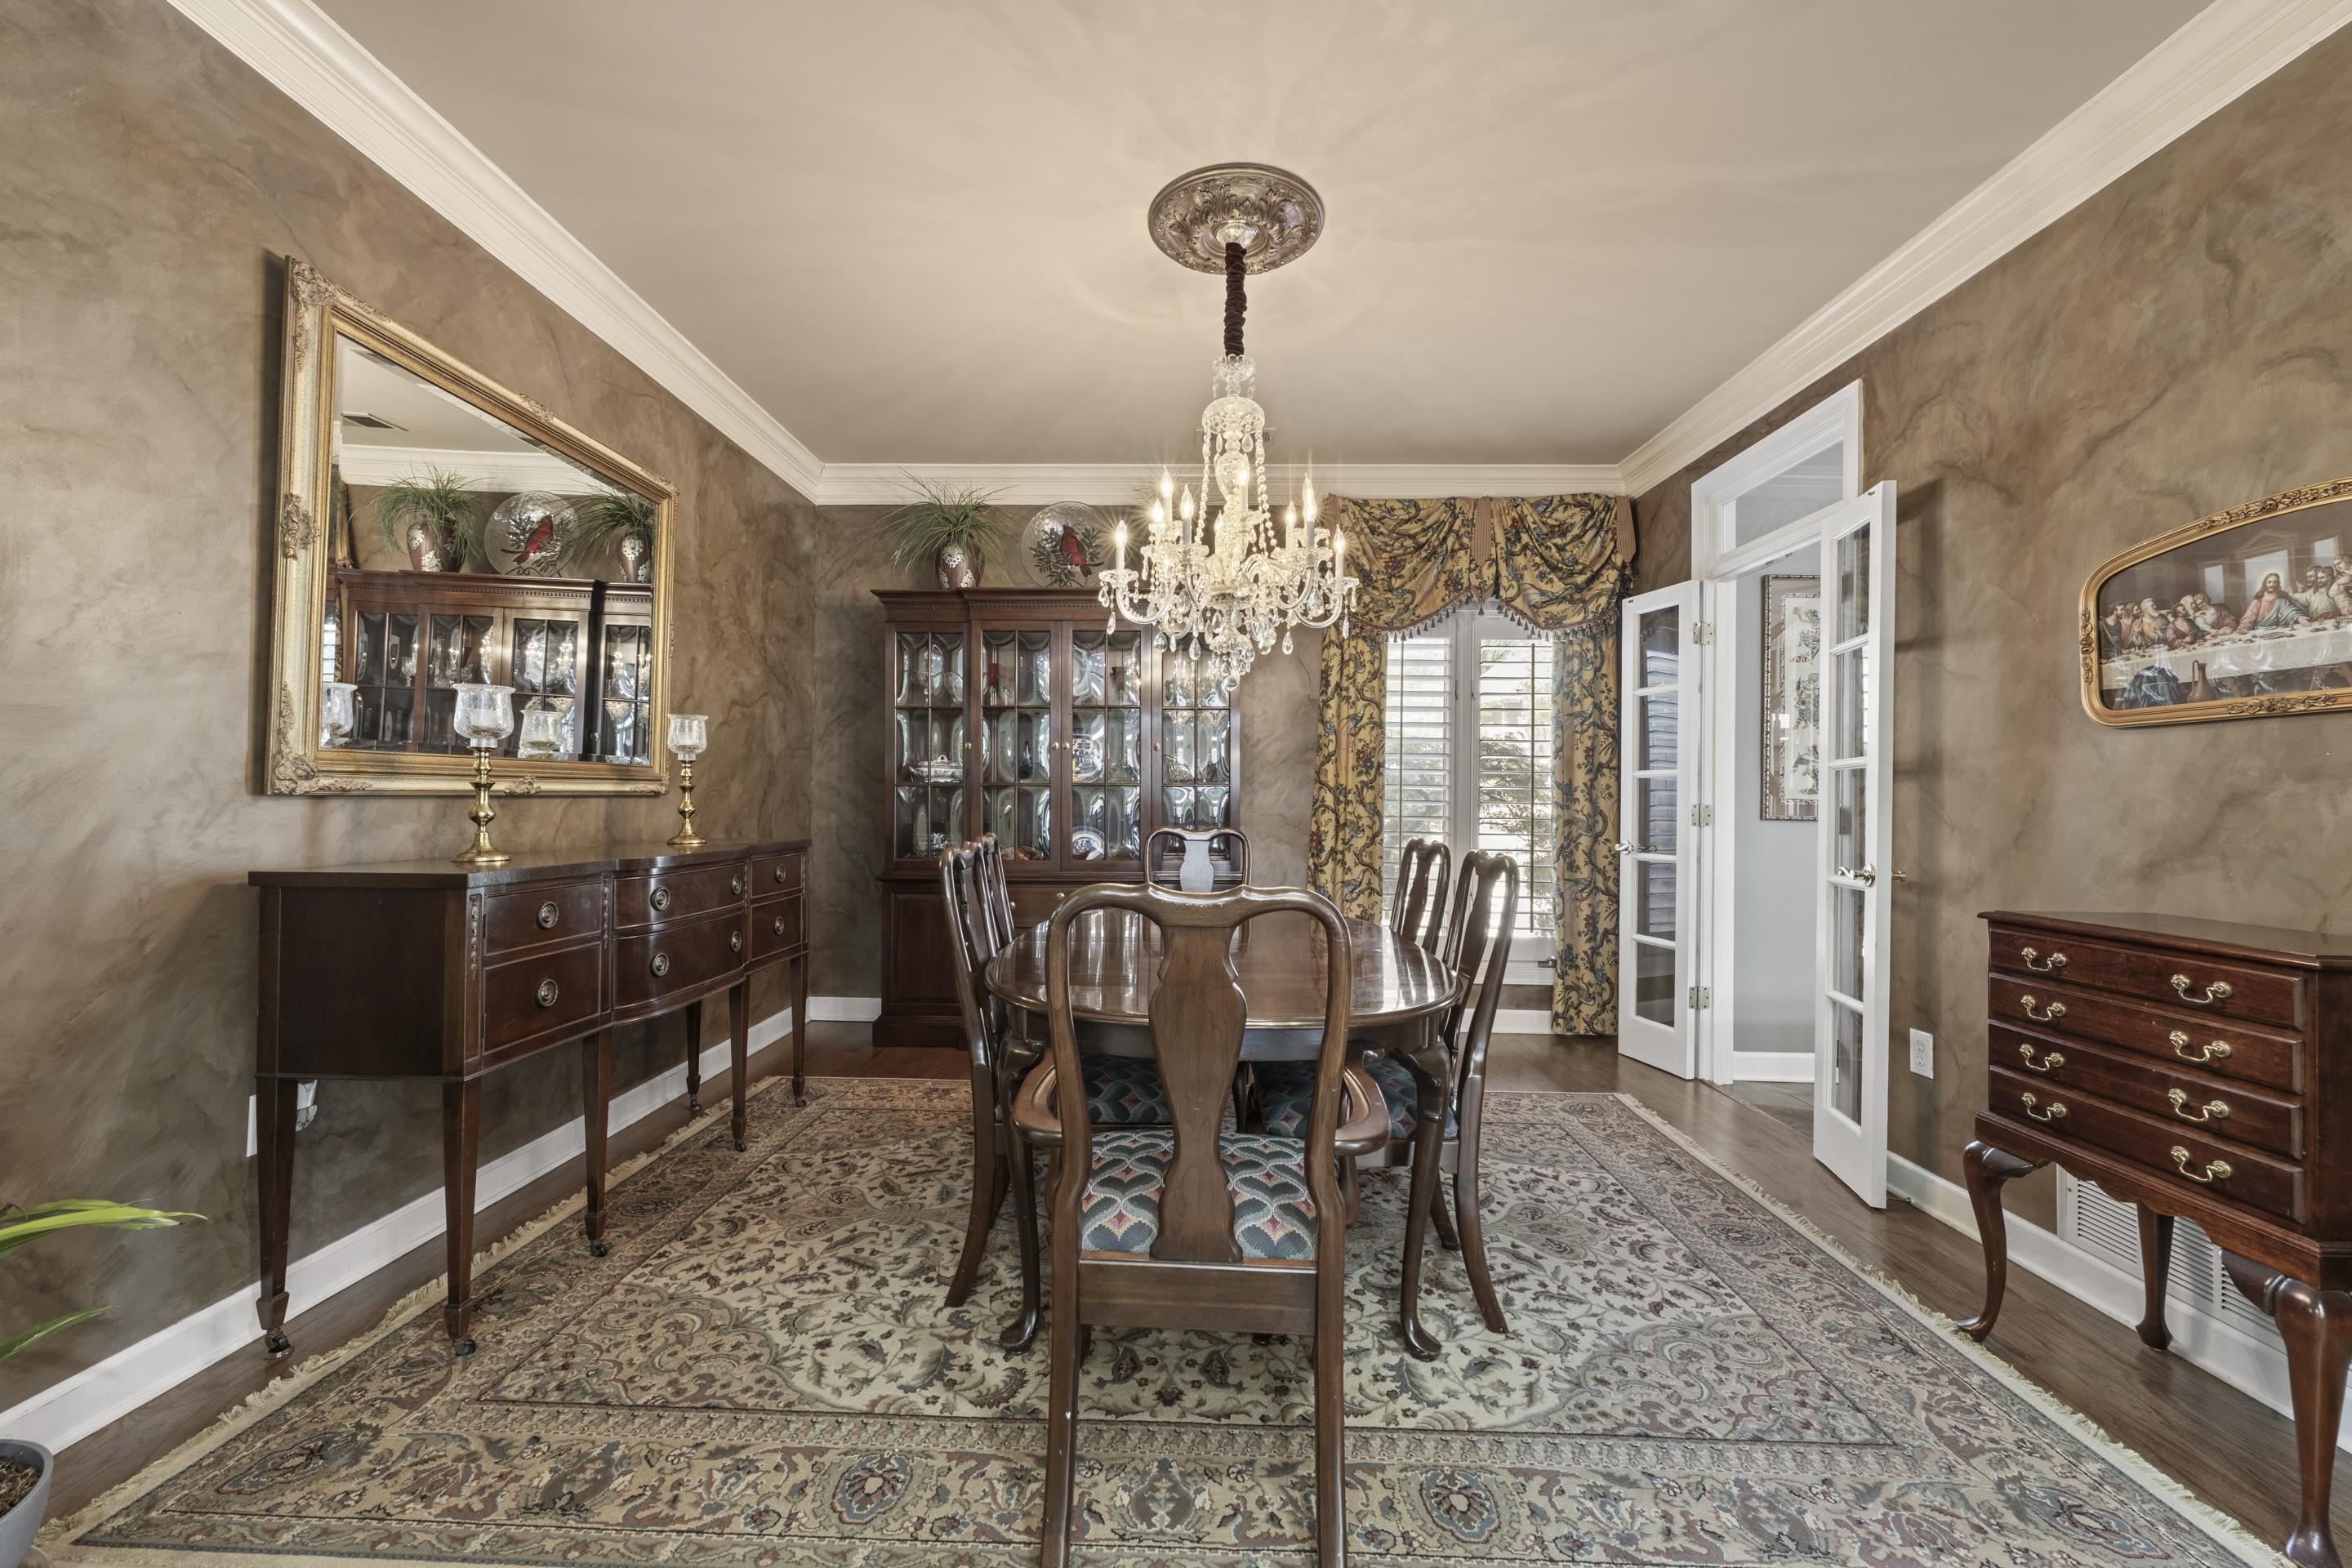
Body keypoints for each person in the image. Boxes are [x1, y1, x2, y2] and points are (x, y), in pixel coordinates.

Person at [2238, 572, 2309, 630]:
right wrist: (2243, 628)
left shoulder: (2281, 598)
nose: (2272, 585)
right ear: (2265, 584)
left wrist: (2299, 617)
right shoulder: (2258, 600)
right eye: (2269, 582)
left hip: (2279, 630)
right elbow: (2249, 617)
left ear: (2278, 584)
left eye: (2275, 582)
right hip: (2261, 631)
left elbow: (2289, 611)